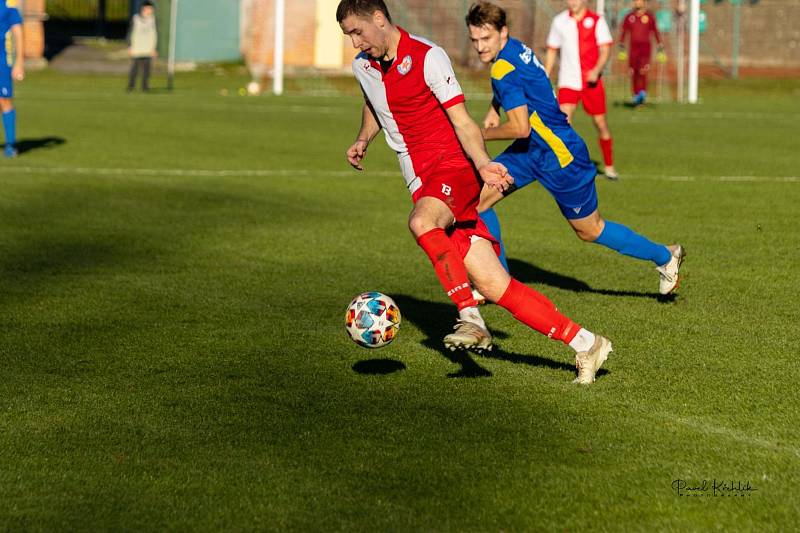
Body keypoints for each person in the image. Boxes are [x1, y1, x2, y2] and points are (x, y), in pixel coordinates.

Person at [337, 0, 612, 384]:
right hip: (420, 180)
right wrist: (364, 137)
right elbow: (374, 102)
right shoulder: (363, 66)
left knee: (422, 222)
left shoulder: (429, 56)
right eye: (348, 35)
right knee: (495, 284)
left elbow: (463, 122)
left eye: (357, 32)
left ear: (379, 20)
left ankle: (469, 315)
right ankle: (586, 342)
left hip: (452, 168)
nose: (354, 43)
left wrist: (483, 164)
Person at [465, 1, 684, 297]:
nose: (479, 47)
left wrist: (476, 134)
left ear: (502, 32)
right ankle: (497, 282)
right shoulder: (515, 49)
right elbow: (517, 83)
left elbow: (520, 127)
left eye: (485, 39)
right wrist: (495, 106)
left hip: (560, 156)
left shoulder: (502, 67)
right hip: (531, 152)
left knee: (590, 230)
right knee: (476, 202)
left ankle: (665, 256)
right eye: (474, 40)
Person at [544, 0, 617, 180]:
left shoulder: (596, 20)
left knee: (600, 123)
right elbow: (552, 50)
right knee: (564, 122)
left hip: (591, 82)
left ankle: (609, 166)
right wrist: (545, 75)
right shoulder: (559, 21)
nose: (572, 2)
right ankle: (567, 166)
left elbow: (606, 49)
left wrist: (596, 70)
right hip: (568, 81)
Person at [618, 0, 665, 107]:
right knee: (633, 72)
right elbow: (624, 31)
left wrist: (660, 44)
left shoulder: (649, 16)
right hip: (633, 49)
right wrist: (621, 44)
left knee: (643, 71)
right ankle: (636, 96)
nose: (637, 2)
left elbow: (655, 31)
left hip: (645, 49)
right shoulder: (629, 16)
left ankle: (642, 94)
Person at [0, 0, 24, 158]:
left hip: (2, 61)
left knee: (4, 100)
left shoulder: (8, 5)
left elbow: (18, 33)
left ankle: (11, 145)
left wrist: (19, 62)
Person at [127, 1, 157, 93]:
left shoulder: (153, 20)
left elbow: (155, 34)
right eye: (149, 9)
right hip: (137, 48)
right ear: (144, 9)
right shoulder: (135, 19)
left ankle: (145, 87)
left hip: (148, 49)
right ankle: (131, 87)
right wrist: (130, 46)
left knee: (147, 70)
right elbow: (130, 33)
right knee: (134, 69)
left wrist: (154, 49)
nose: (151, 11)